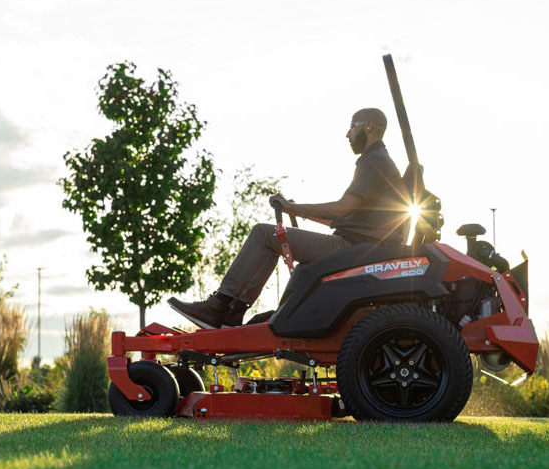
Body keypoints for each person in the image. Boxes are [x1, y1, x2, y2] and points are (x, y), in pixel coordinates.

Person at [168, 107, 406, 329]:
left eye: (352, 126)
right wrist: (296, 210)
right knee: (271, 242)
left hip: (353, 249)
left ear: (369, 127)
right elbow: (343, 218)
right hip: (359, 245)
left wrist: (294, 209)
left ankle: (220, 305)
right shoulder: (379, 161)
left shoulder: (374, 161)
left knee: (264, 234)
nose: (347, 134)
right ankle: (234, 310)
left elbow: (341, 210)